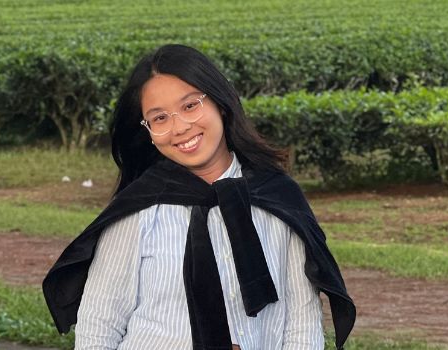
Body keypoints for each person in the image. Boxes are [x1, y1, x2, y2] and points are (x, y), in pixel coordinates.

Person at [42, 44, 355, 350]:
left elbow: (301, 322)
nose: (179, 127)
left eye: (190, 105)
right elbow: (100, 322)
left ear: (219, 101)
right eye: (160, 118)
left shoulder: (277, 199)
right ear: (148, 131)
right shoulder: (138, 208)